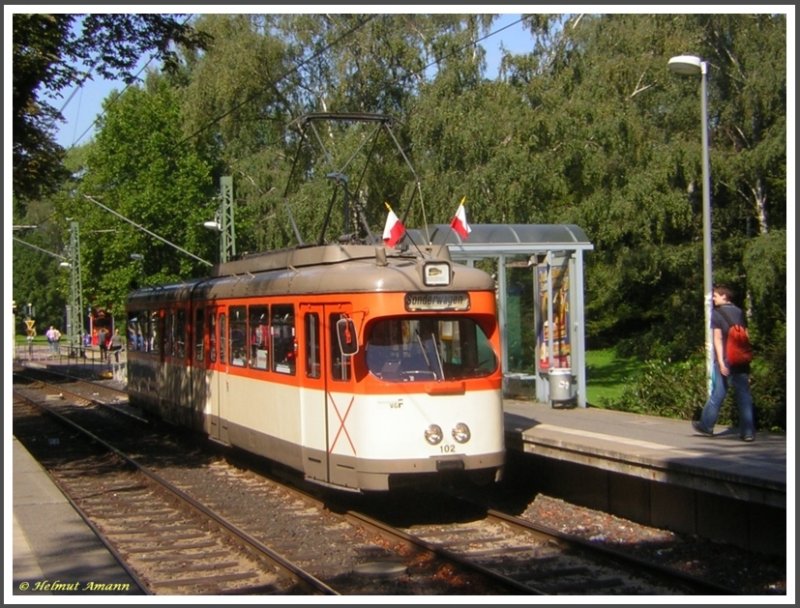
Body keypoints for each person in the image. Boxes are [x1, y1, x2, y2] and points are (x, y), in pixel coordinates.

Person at [692, 285, 756, 442]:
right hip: (740, 360)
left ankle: (706, 425)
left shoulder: (717, 314)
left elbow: (718, 339)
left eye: (716, 296)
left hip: (727, 360)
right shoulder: (740, 312)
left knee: (718, 393)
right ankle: (748, 432)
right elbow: (745, 336)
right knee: (744, 396)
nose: (713, 298)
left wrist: (720, 361)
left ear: (725, 297)